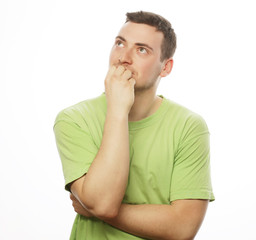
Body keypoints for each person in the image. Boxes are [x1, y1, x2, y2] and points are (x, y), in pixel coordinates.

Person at [54, 11, 215, 240]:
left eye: (142, 49)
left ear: (166, 68)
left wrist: (96, 211)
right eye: (120, 43)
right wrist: (118, 110)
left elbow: (182, 228)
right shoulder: (73, 119)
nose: (124, 57)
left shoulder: (189, 126)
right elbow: (102, 202)